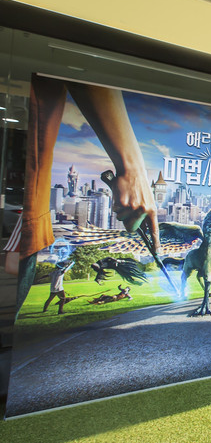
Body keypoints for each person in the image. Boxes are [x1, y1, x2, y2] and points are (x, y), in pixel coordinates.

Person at [18, 75, 159, 316]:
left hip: (34, 219)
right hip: (34, 215)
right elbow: (82, 69)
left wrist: (132, 169)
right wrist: (133, 170)